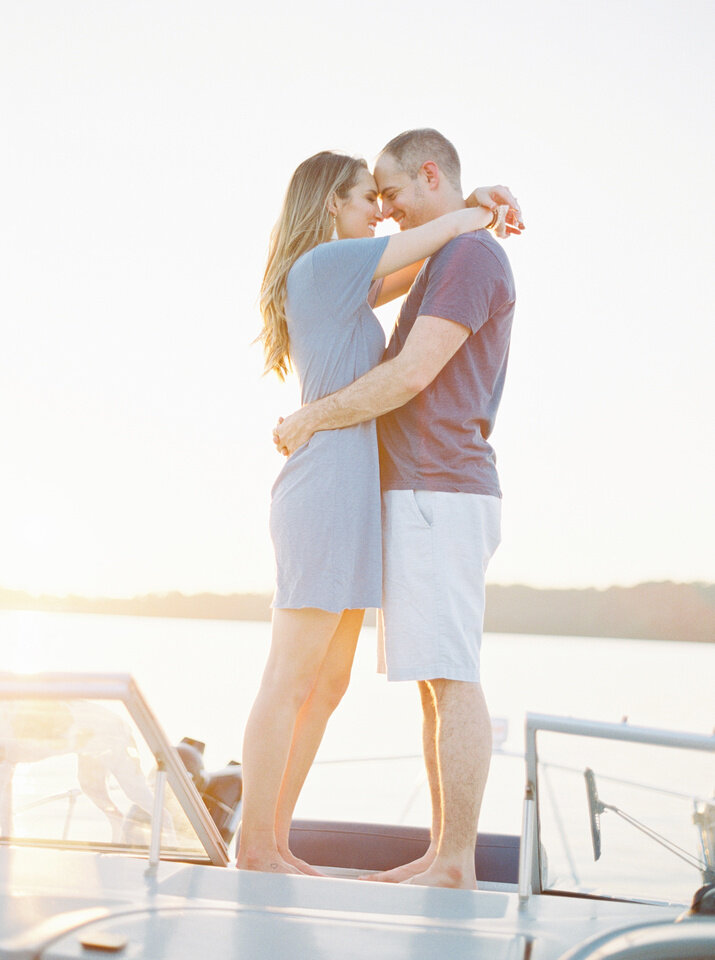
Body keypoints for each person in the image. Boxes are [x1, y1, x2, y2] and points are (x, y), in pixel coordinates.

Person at [237, 149, 519, 876]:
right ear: (331, 203)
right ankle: (256, 846)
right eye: (368, 196)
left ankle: (276, 839)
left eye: (385, 196)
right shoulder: (326, 266)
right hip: (327, 485)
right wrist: (481, 206)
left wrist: (477, 205)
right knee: (289, 677)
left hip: (356, 491)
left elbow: (425, 264)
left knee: (326, 685)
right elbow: (432, 241)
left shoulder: (347, 283)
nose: (381, 208)